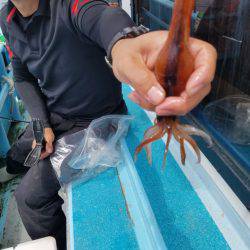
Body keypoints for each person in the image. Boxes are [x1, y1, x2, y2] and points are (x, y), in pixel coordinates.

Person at [0, 0, 217, 249]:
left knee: (28, 198)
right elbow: (22, 74)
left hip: (95, 121)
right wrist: (41, 123)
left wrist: (126, 43)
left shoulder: (71, 5)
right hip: (53, 114)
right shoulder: (6, 19)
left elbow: (104, 18)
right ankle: (12, 167)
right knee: (18, 151)